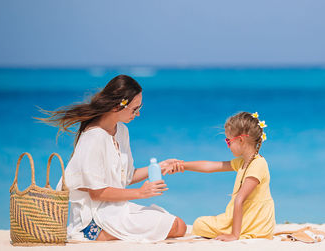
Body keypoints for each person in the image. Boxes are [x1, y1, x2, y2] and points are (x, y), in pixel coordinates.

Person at [37, 74, 186, 242]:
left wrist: (159, 167)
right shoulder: (93, 138)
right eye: (134, 109)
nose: (137, 114)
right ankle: (95, 233)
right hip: (94, 217)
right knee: (175, 226)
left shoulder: (122, 131)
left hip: (117, 209)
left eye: (140, 107)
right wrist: (140, 193)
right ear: (117, 106)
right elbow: (97, 193)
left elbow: (126, 177)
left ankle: (110, 233)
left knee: (179, 225)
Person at [166, 111, 275, 241]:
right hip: (245, 217)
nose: (227, 146)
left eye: (229, 141)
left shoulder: (258, 164)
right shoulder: (243, 162)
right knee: (201, 224)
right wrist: (183, 165)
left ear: (241, 140)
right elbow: (211, 166)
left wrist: (234, 235)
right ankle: (233, 229)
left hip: (254, 222)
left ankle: (236, 231)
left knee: (200, 224)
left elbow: (239, 199)